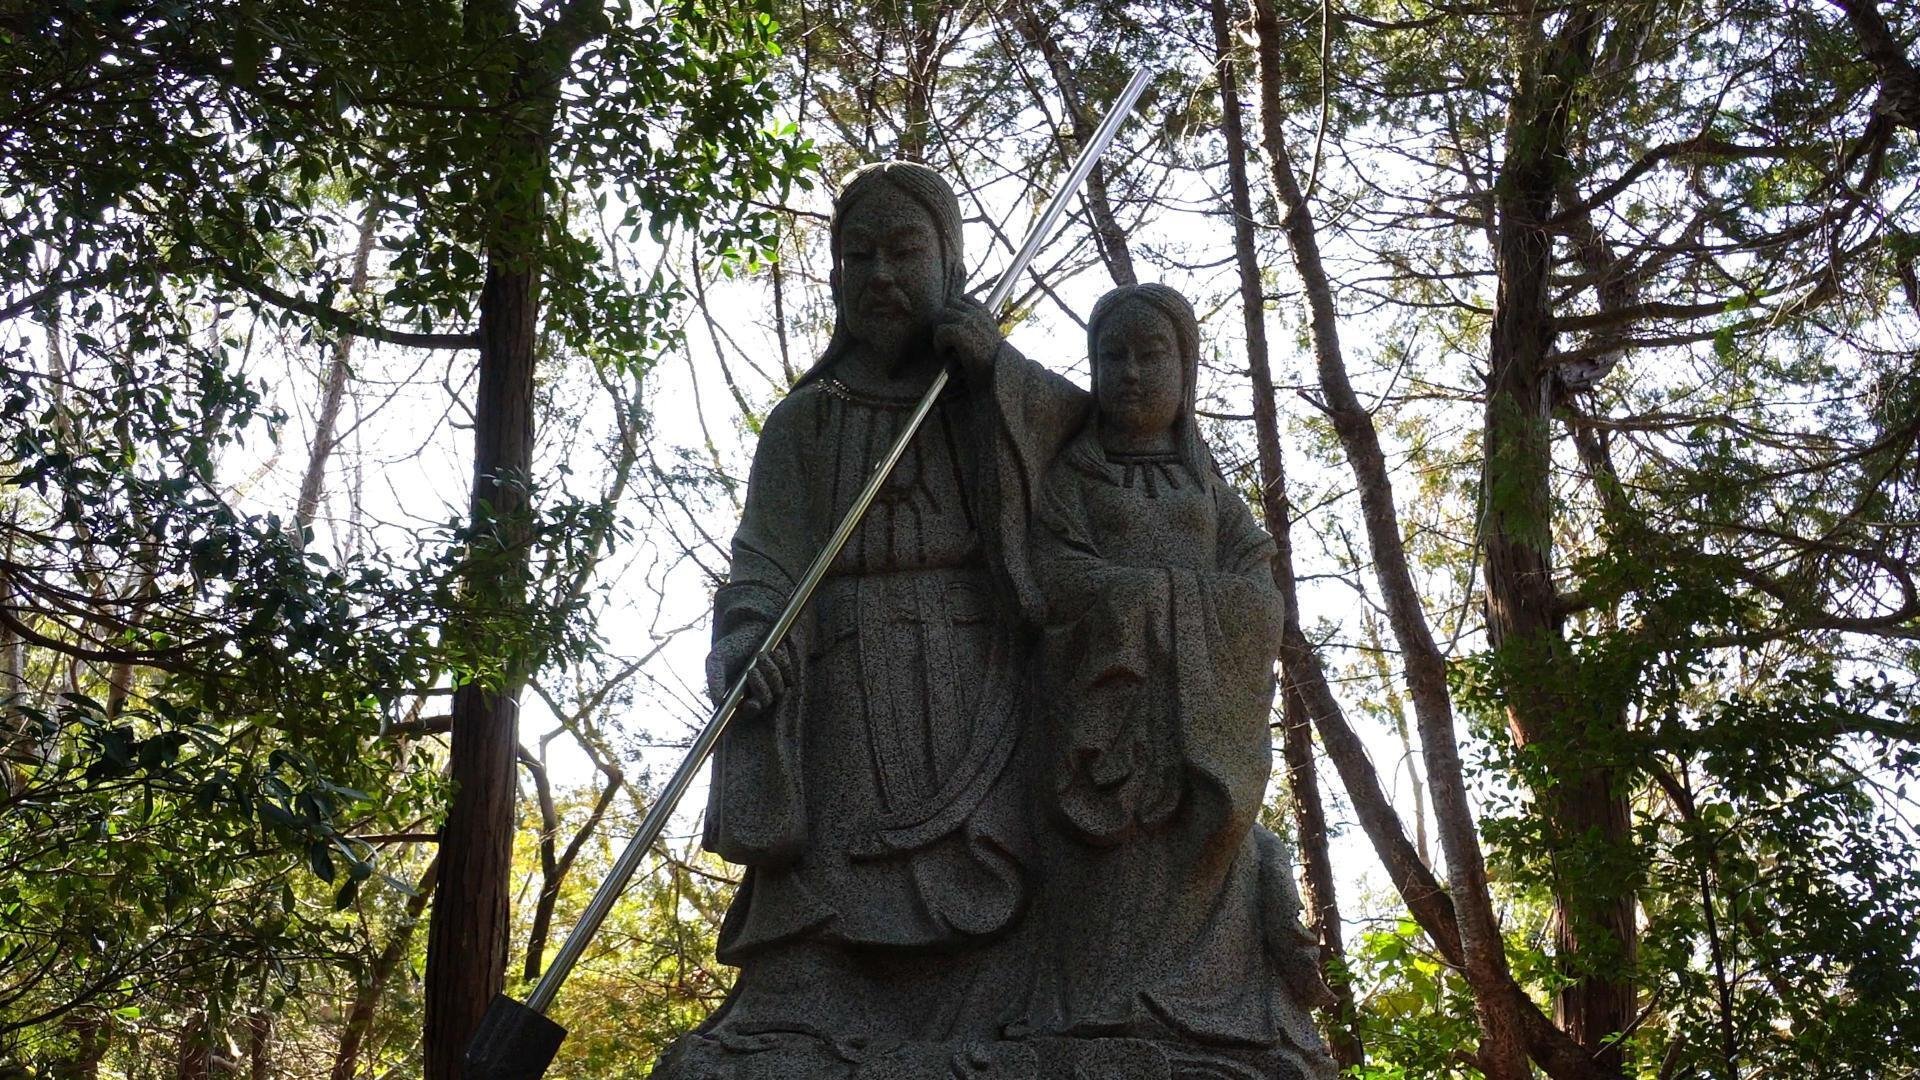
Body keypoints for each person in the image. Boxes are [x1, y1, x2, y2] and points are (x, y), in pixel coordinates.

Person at [652, 162, 1088, 1080]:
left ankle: (983, 1010)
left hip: (975, 674)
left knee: (994, 886)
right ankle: (810, 1002)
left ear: (950, 263)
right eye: (858, 257)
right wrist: (747, 637)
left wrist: (999, 375)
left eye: (903, 252)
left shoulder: (984, 395)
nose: (880, 275)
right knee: (827, 891)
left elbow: (1096, 460)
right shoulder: (803, 423)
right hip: (842, 675)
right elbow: (764, 561)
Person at [1019, 284, 1338, 1080]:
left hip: (1205, 729)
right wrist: (1149, 600)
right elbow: (1055, 574)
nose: (1130, 372)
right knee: (1112, 866)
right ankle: (1102, 1014)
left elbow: (1257, 582)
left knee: (1213, 849)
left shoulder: (1207, 489)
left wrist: (1186, 606)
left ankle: (1222, 1015)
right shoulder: (1073, 482)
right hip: (1110, 714)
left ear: (1185, 367)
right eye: (1113, 356)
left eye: (1150, 355)